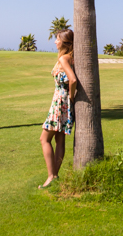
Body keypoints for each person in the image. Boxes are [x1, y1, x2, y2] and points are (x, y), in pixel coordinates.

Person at [39, 29, 78, 188]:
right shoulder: (72, 57)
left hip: (60, 102)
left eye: (57, 39)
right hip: (64, 102)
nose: (55, 42)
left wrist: (70, 96)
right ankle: (54, 176)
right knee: (59, 140)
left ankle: (51, 175)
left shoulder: (63, 58)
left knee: (44, 139)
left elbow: (73, 79)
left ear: (65, 42)